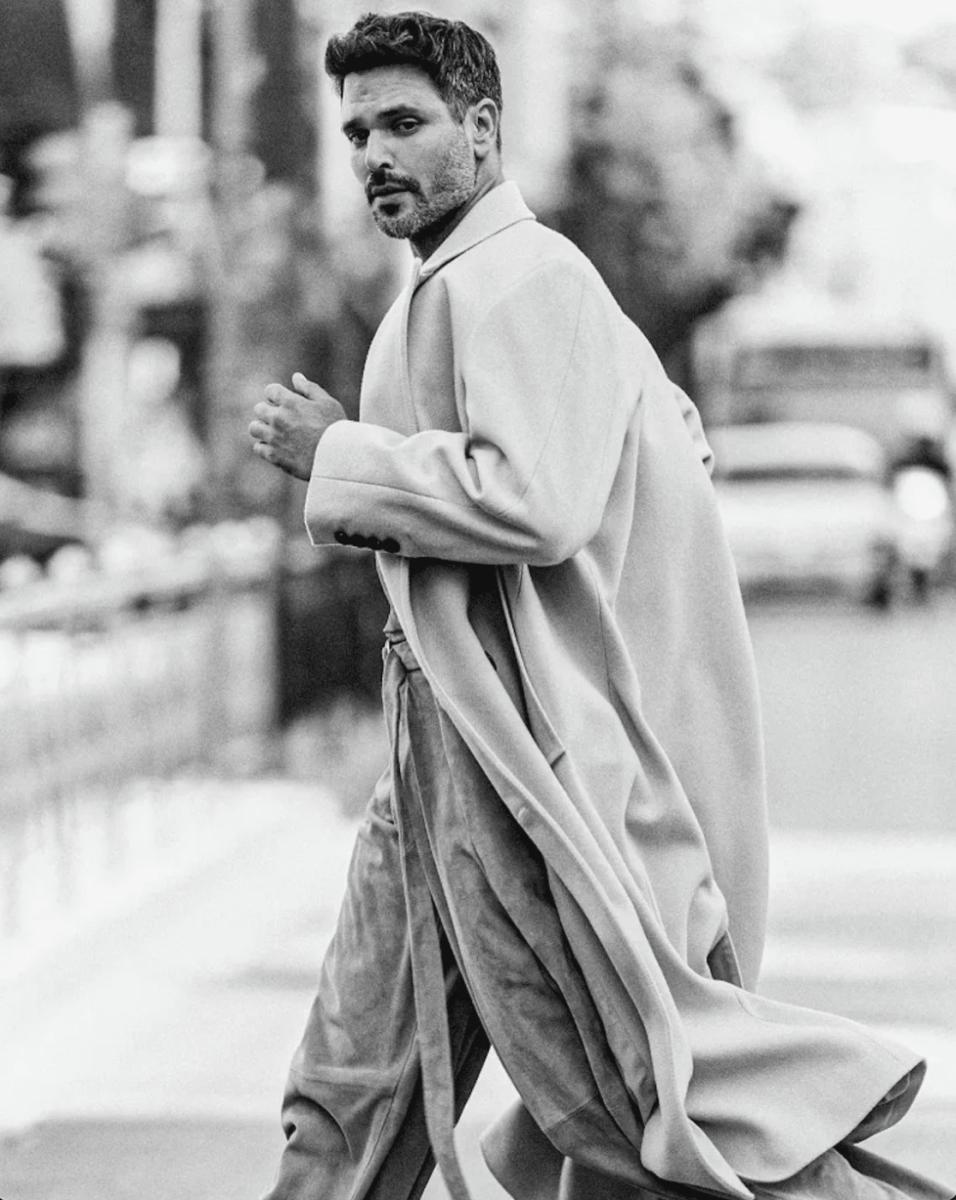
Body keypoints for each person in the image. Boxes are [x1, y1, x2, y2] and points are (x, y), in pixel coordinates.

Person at [248, 13, 952, 1200]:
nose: (374, 154)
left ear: (481, 130)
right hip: (446, 745)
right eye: (358, 131)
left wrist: (341, 455)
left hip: (512, 769)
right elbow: (662, 435)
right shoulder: (469, 283)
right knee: (352, 1087)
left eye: (404, 123)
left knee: (632, 1104)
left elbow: (540, 500)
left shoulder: (527, 278)